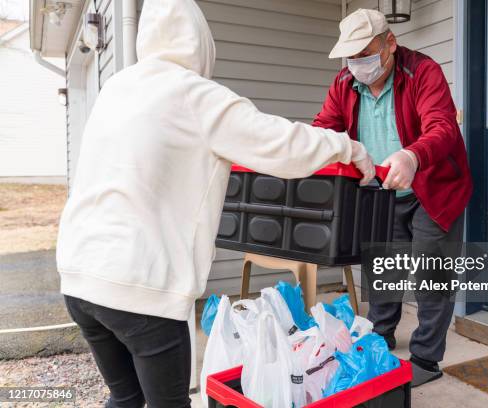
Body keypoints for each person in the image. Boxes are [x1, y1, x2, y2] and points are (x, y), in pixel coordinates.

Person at [56, 1, 375, 407]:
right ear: (200, 43)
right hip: (140, 287)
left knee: (125, 398)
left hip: (80, 277)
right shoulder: (195, 95)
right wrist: (349, 148)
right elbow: (282, 144)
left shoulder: (117, 88)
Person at [313, 9, 473, 387]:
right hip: (381, 191)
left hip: (432, 188)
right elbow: (324, 129)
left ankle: (425, 360)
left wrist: (412, 155)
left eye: (364, 55)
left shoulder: (423, 72)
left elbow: (442, 126)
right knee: (381, 269)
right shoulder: (343, 83)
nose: (357, 65)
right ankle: (379, 337)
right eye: (350, 57)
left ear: (389, 45)